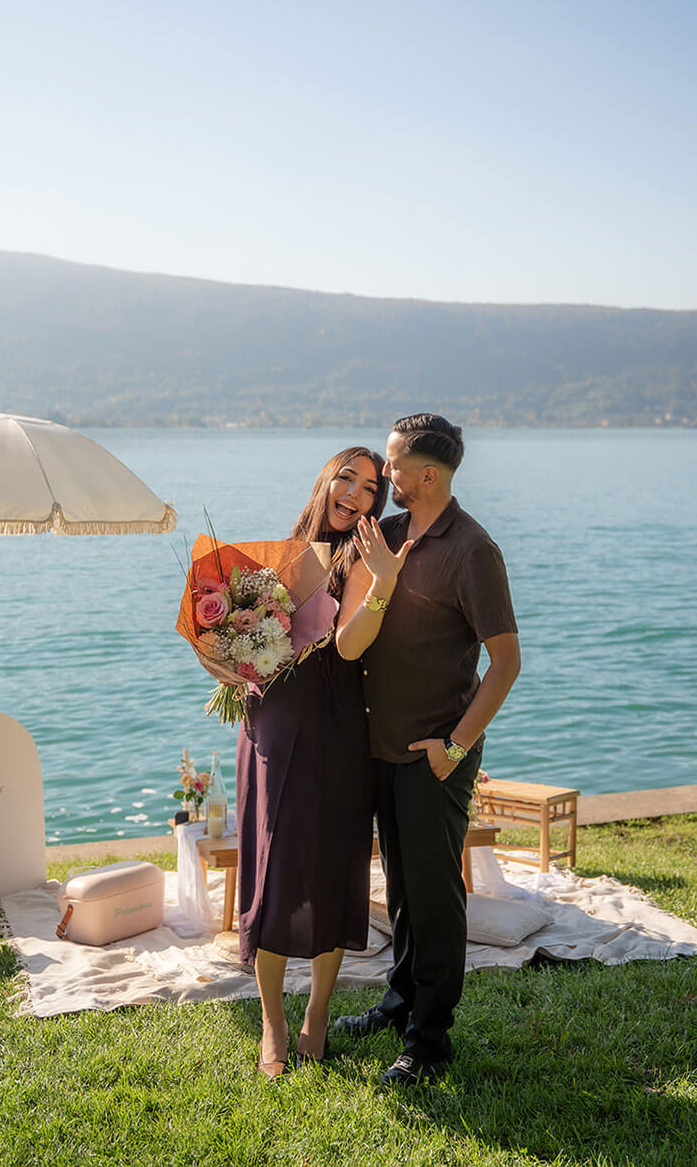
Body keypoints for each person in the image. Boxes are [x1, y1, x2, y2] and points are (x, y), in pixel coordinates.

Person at [334, 414, 520, 1086]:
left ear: (429, 476)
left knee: (435, 896)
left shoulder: (472, 550)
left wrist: (455, 744)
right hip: (380, 746)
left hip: (435, 753)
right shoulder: (384, 533)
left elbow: (506, 663)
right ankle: (400, 1000)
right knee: (405, 889)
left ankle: (430, 1041)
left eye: (393, 467)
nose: (386, 477)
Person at [237, 446, 387, 1077]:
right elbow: (248, 633)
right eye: (347, 478)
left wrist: (383, 580)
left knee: (331, 869)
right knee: (273, 874)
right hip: (272, 721)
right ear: (326, 481)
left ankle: (317, 1015)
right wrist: (234, 649)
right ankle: (272, 1022)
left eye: (371, 488)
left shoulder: (364, 558)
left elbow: (350, 646)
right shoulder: (283, 551)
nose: (355, 493)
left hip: (336, 726)